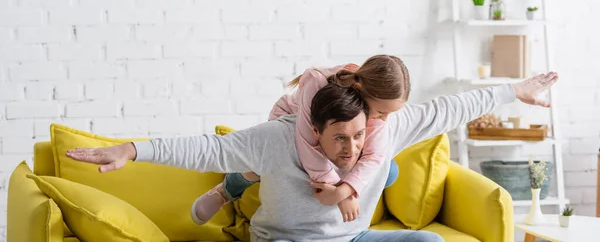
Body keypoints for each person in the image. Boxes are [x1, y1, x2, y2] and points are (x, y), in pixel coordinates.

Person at [66, 69, 558, 242]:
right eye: (340, 139)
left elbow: (452, 107)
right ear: (315, 131)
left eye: (359, 135)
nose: (352, 149)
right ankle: (230, 191)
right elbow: (207, 147)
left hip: (353, 237)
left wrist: (516, 90)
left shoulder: (382, 129)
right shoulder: (277, 138)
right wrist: (132, 149)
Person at [193, 55, 408, 225]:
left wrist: (346, 189)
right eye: (381, 112)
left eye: (389, 113)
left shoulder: (377, 111)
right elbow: (308, 146)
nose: (384, 119)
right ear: (361, 91)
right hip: (296, 130)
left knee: (390, 171)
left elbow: (376, 154)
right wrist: (340, 194)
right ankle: (225, 192)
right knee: (265, 164)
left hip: (338, 139)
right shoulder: (317, 84)